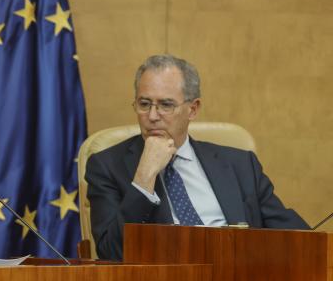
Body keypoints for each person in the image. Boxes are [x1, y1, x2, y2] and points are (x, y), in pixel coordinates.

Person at [85, 54, 308, 261]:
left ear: (193, 109)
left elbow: (297, 238)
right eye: (144, 104)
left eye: (166, 105)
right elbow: (111, 253)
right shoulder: (107, 166)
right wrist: (145, 177)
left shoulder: (240, 165)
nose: (152, 116)